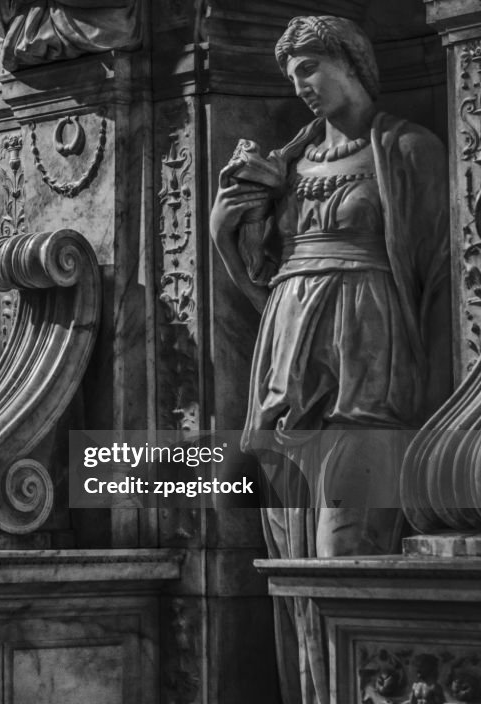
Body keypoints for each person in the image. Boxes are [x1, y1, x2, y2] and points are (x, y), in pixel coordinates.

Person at [209, 16, 450, 704]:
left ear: (354, 62)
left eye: (311, 67)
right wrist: (231, 219)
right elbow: (262, 276)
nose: (301, 85)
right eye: (292, 75)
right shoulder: (290, 163)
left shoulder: (409, 149)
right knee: (291, 560)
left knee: (347, 550)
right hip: (286, 371)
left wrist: (442, 407)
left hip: (371, 366)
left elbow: (444, 276)